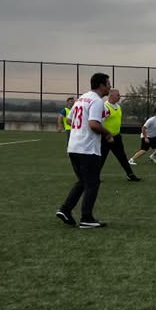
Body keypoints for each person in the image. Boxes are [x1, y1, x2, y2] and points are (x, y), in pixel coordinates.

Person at [56, 73, 111, 228]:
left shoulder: (81, 98)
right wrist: (107, 133)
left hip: (73, 147)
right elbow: (94, 124)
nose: (109, 86)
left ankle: (65, 209)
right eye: (108, 84)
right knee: (93, 183)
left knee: (83, 181)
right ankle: (86, 218)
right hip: (87, 149)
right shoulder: (97, 100)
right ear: (101, 85)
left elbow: (69, 119)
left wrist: (79, 130)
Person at [99, 89, 141, 182]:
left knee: (122, 157)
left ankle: (130, 175)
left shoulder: (118, 106)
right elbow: (100, 123)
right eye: (117, 95)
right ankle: (95, 176)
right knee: (101, 158)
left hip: (117, 137)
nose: (119, 97)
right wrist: (107, 135)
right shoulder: (105, 107)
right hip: (106, 138)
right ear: (111, 96)